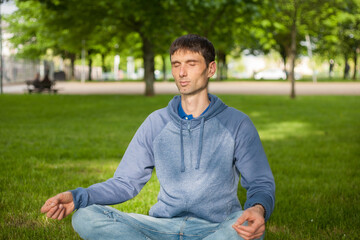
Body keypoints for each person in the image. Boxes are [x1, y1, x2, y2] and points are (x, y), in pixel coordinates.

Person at [41, 34, 275, 240]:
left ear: (211, 69)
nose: (181, 72)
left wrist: (258, 209)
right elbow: (126, 182)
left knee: (248, 227)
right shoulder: (156, 122)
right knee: (86, 216)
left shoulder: (237, 123)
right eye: (176, 65)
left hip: (216, 228)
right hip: (160, 227)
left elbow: (260, 182)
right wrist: (79, 196)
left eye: (191, 64)